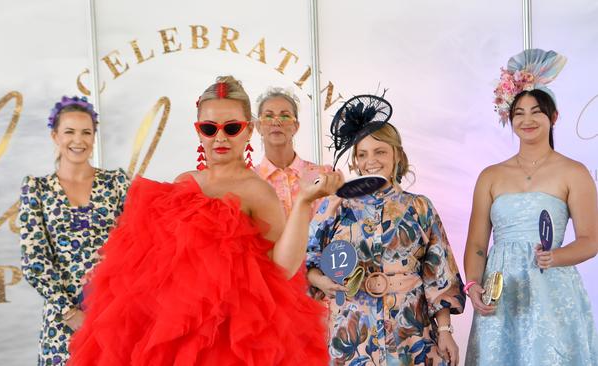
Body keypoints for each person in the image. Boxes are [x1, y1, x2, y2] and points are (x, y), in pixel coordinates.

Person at [68, 76, 343, 365]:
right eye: (210, 129)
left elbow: (281, 268)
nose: (220, 138)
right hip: (173, 335)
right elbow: (150, 267)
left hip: (231, 338)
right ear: (198, 132)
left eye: (232, 128)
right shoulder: (183, 182)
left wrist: (302, 203)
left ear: (249, 130)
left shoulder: (256, 191)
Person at [306, 94, 465, 366]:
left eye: (380, 151)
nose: (371, 161)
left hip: (411, 334)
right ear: (355, 160)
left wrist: (446, 331)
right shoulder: (335, 207)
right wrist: (322, 281)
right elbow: (308, 263)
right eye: (362, 154)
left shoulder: (419, 207)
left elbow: (439, 276)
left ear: (397, 154)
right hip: (353, 334)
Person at [464, 49, 598, 365]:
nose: (527, 120)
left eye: (537, 111)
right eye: (519, 113)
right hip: (501, 290)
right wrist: (473, 286)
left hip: (552, 290)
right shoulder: (491, 175)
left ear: (553, 117)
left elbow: (591, 240)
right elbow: (478, 244)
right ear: (509, 119)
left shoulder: (574, 171)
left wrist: (557, 256)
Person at [19, 96, 130, 365]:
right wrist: (70, 312)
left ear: (94, 137)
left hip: (112, 314)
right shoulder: (37, 188)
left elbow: (135, 242)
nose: (77, 140)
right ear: (55, 136)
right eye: (69, 132)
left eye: (86, 132)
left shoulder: (116, 182)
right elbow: (34, 260)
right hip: (62, 322)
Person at [254, 87, 331, 217]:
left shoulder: (323, 175)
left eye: (285, 116)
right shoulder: (250, 181)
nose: (276, 122)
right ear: (258, 126)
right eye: (268, 116)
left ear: (296, 126)